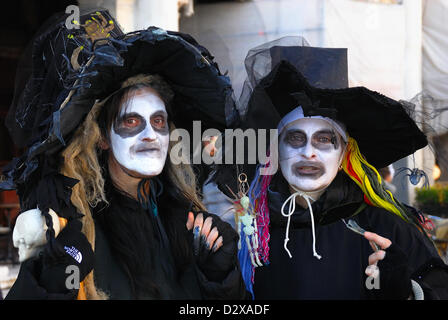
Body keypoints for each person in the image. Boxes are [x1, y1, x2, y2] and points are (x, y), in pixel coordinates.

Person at [2, 9, 245, 300]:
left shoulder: (183, 216)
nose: (150, 135)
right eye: (131, 121)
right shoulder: (75, 224)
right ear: (102, 137)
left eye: (158, 121)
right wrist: (48, 284)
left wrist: (216, 276)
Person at [221, 38, 448, 299]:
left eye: (325, 139)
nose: (308, 152)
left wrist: (407, 292)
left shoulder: (386, 229)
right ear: (275, 150)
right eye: (295, 138)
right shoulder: (253, 235)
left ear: (344, 153)